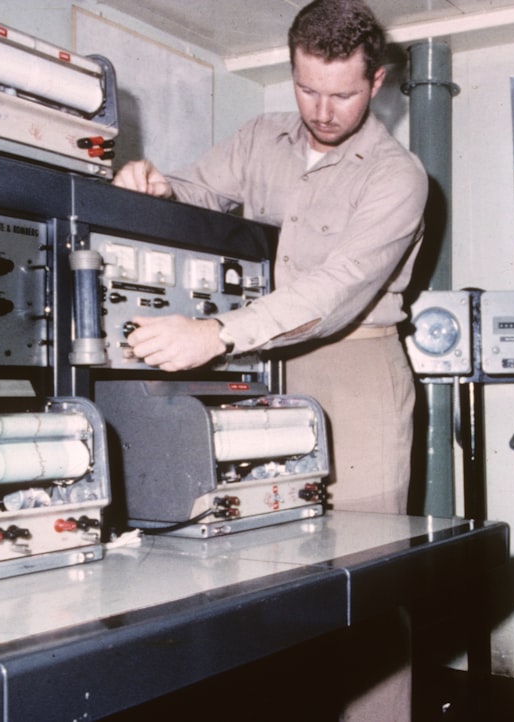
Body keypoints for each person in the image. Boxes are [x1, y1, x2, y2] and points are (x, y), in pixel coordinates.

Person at [112, 0, 428, 517]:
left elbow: (337, 288)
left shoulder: (398, 176)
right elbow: (199, 191)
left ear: (376, 83)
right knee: (265, 531)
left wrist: (216, 333)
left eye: (343, 95)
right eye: (308, 90)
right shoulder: (260, 135)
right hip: (262, 360)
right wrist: (156, 187)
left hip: (354, 369)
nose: (322, 113)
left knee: (360, 546)